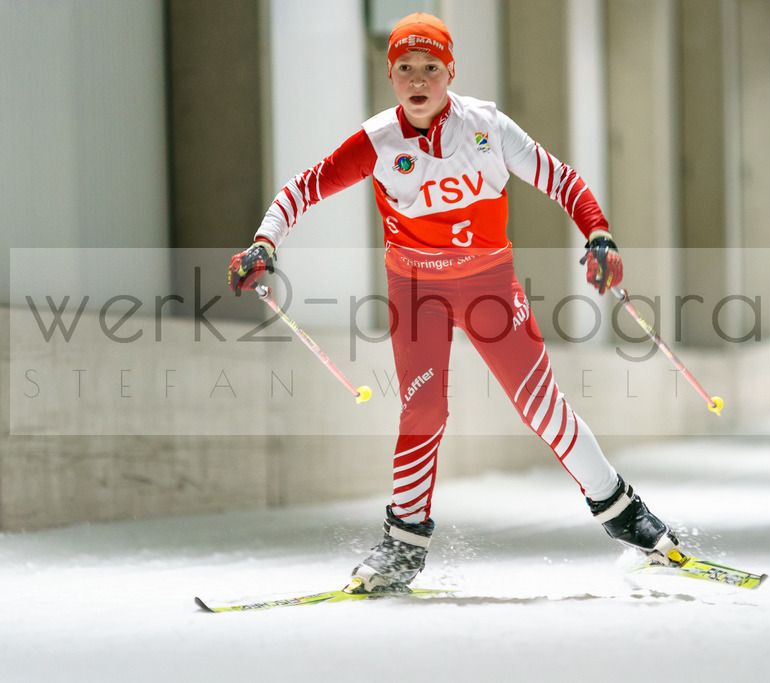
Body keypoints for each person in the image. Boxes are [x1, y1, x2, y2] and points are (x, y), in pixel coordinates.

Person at [229, 12, 687, 594]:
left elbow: (562, 180)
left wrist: (599, 234)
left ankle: (625, 515)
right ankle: (403, 544)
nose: (418, 79)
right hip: (415, 291)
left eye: (431, 67)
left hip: (487, 285)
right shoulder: (377, 140)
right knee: (423, 411)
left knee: (541, 406)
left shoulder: (487, 126)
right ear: (390, 74)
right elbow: (302, 188)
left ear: (451, 72)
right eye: (405, 67)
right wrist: (264, 242)